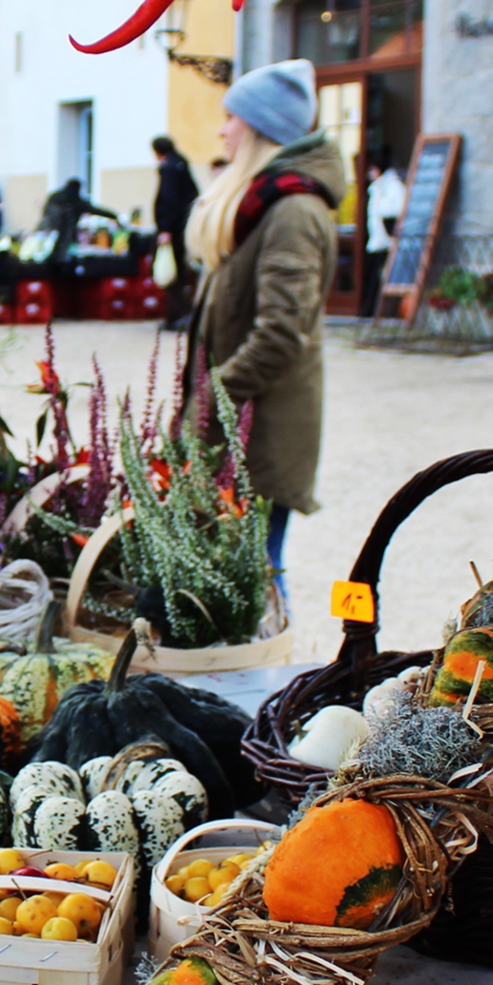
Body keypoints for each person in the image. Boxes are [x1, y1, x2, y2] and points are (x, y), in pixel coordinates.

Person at [186, 59, 345, 590]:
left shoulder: (293, 210)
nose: (221, 129)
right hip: (241, 428)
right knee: (240, 580)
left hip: (262, 436)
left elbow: (280, 335)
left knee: (255, 583)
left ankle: (275, 676)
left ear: (258, 129)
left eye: (230, 118)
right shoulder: (266, 203)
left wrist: (208, 400)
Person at [150, 135, 199, 325]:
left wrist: (166, 229)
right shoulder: (182, 165)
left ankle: (183, 314)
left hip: (174, 229)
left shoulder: (169, 168)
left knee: (169, 273)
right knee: (176, 270)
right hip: (185, 225)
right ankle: (173, 316)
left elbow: (169, 200)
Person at [358, 145, 406, 319]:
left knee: (381, 278)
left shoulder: (392, 186)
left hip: (386, 240)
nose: (370, 173)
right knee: (372, 276)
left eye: (373, 169)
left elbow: (395, 210)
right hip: (377, 240)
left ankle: (378, 312)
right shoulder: (378, 186)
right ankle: (368, 310)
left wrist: (382, 207)